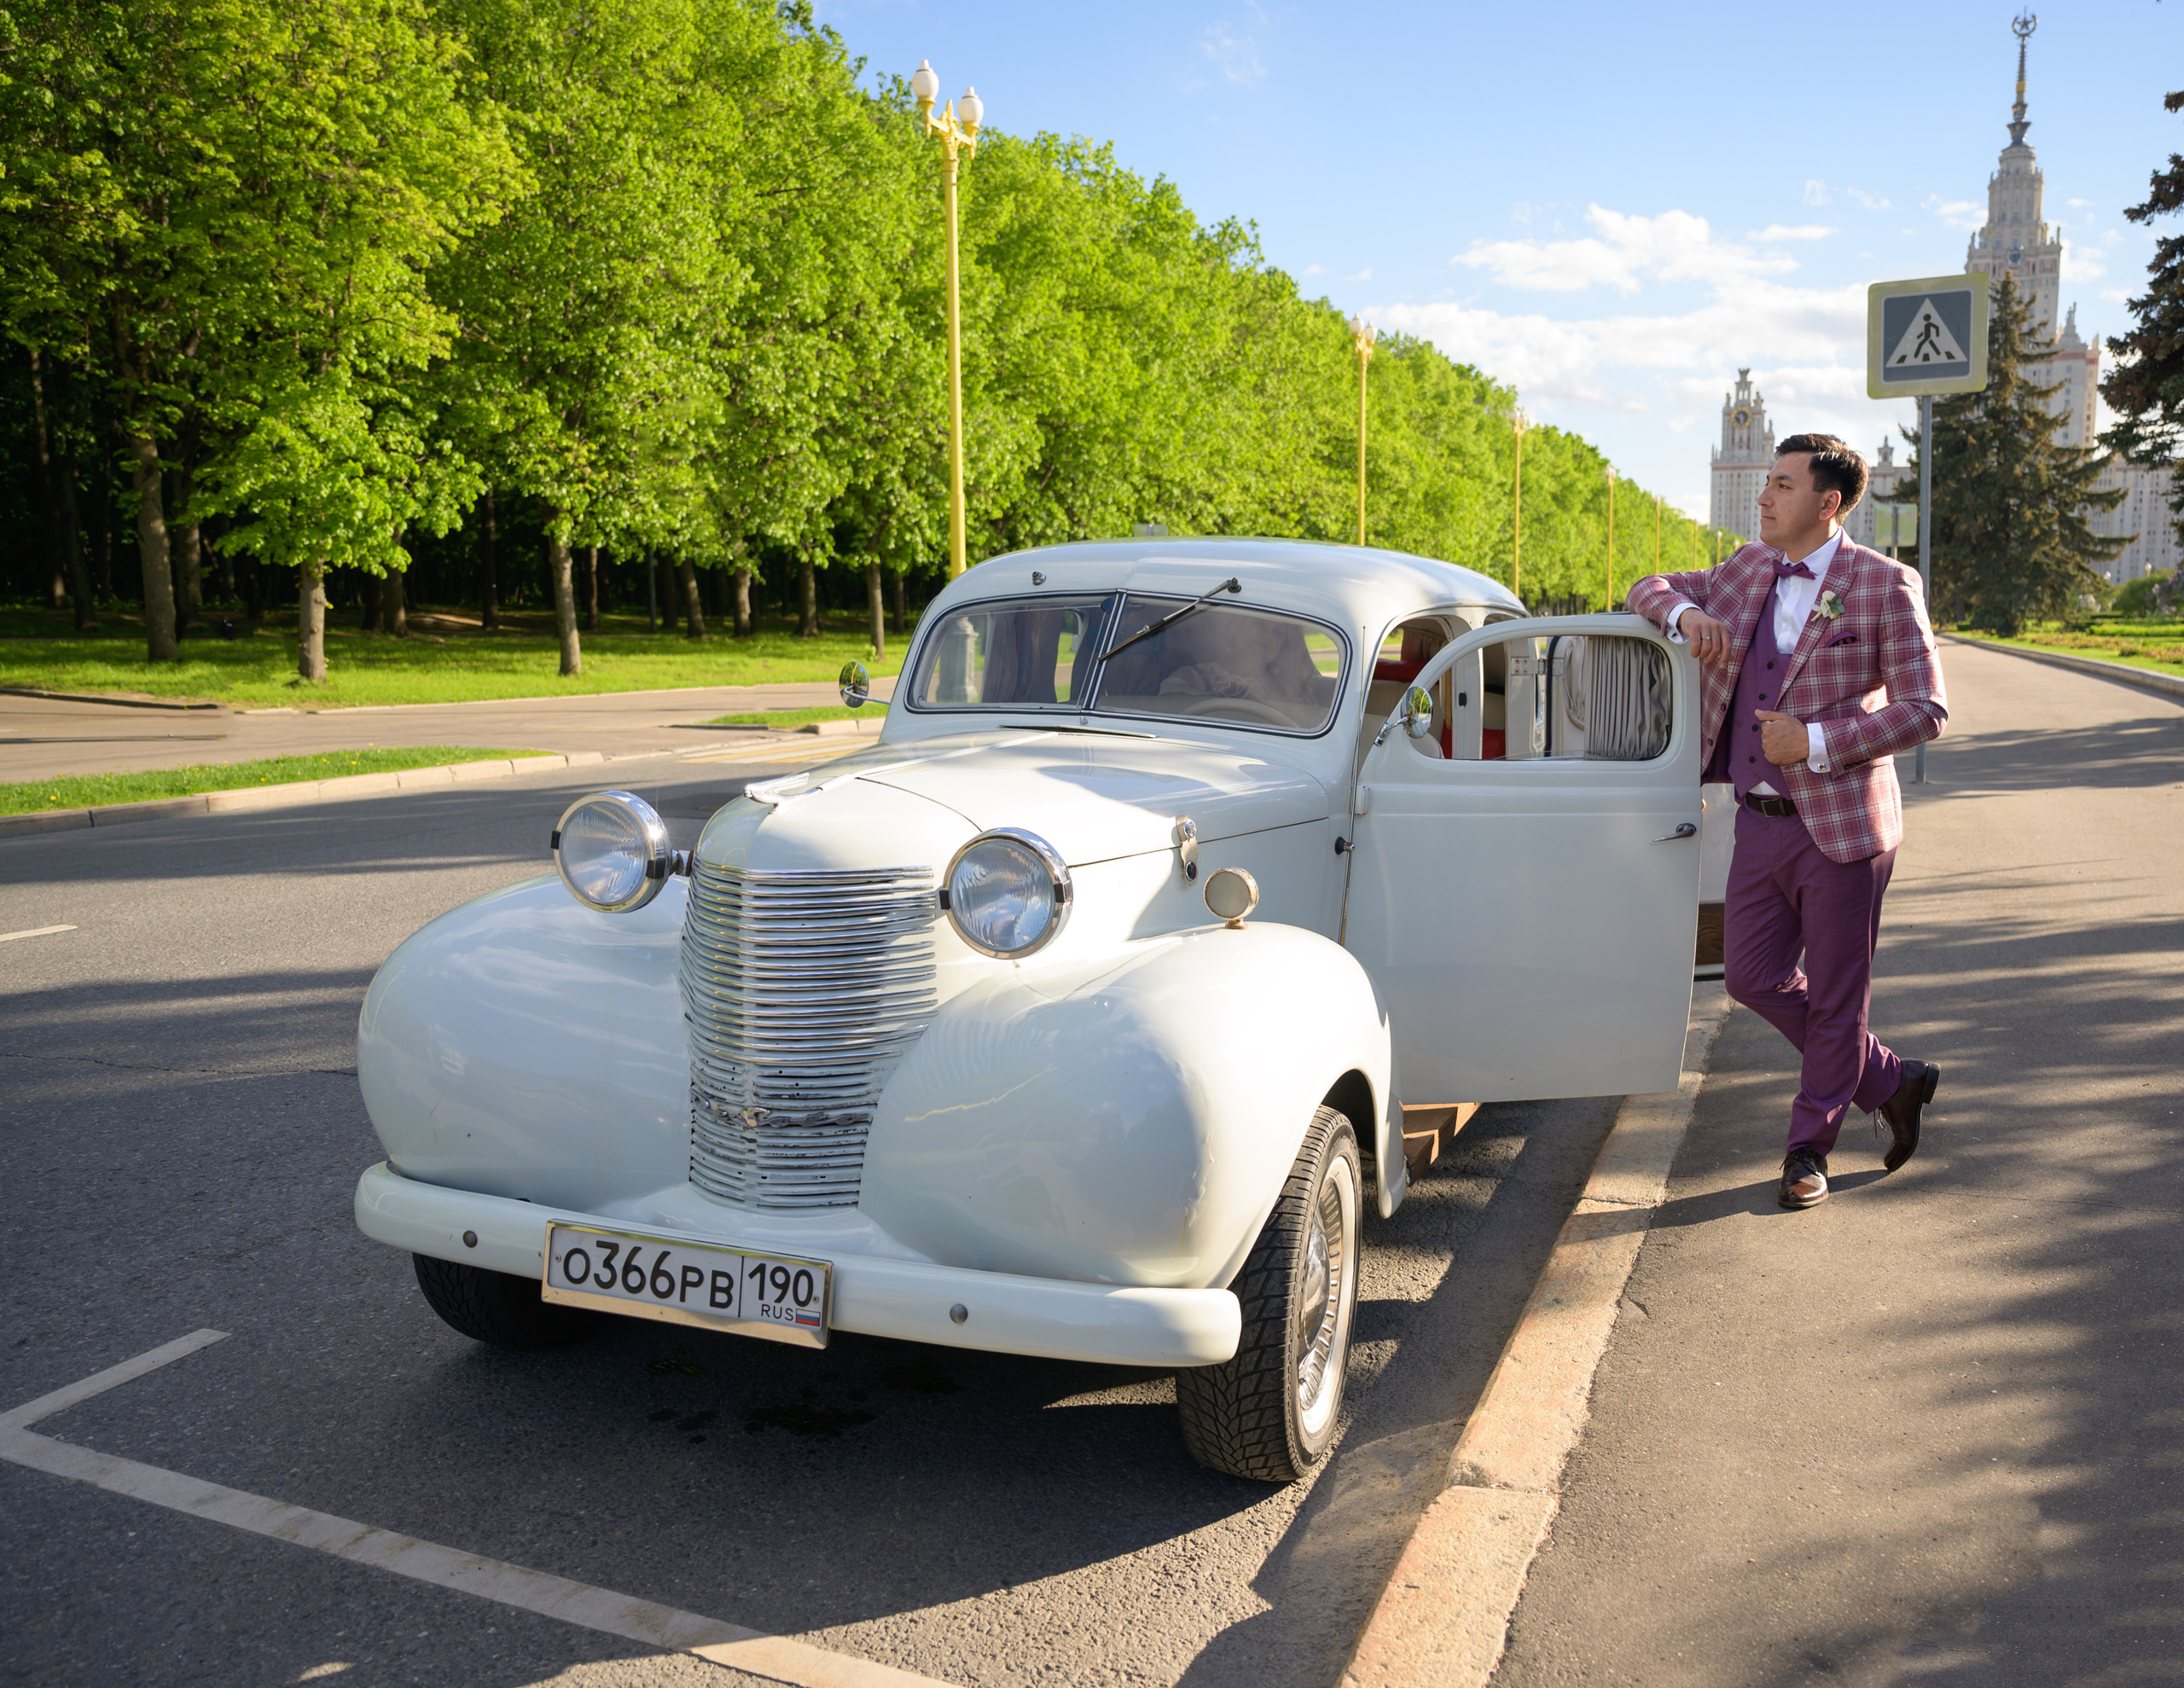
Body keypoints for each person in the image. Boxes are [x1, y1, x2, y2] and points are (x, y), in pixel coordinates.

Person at [1627, 434, 1947, 1209]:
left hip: (1844, 826)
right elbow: (1649, 584)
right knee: (1748, 975)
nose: (1764, 497)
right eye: (1765, 482)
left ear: (1828, 502)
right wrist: (1686, 614)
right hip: (1759, 818)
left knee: (1838, 999)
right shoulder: (1745, 568)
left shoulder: (1882, 584)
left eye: (1781, 484)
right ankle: (1888, 1079)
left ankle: (1810, 1148)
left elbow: (1926, 709)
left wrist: (1816, 741)